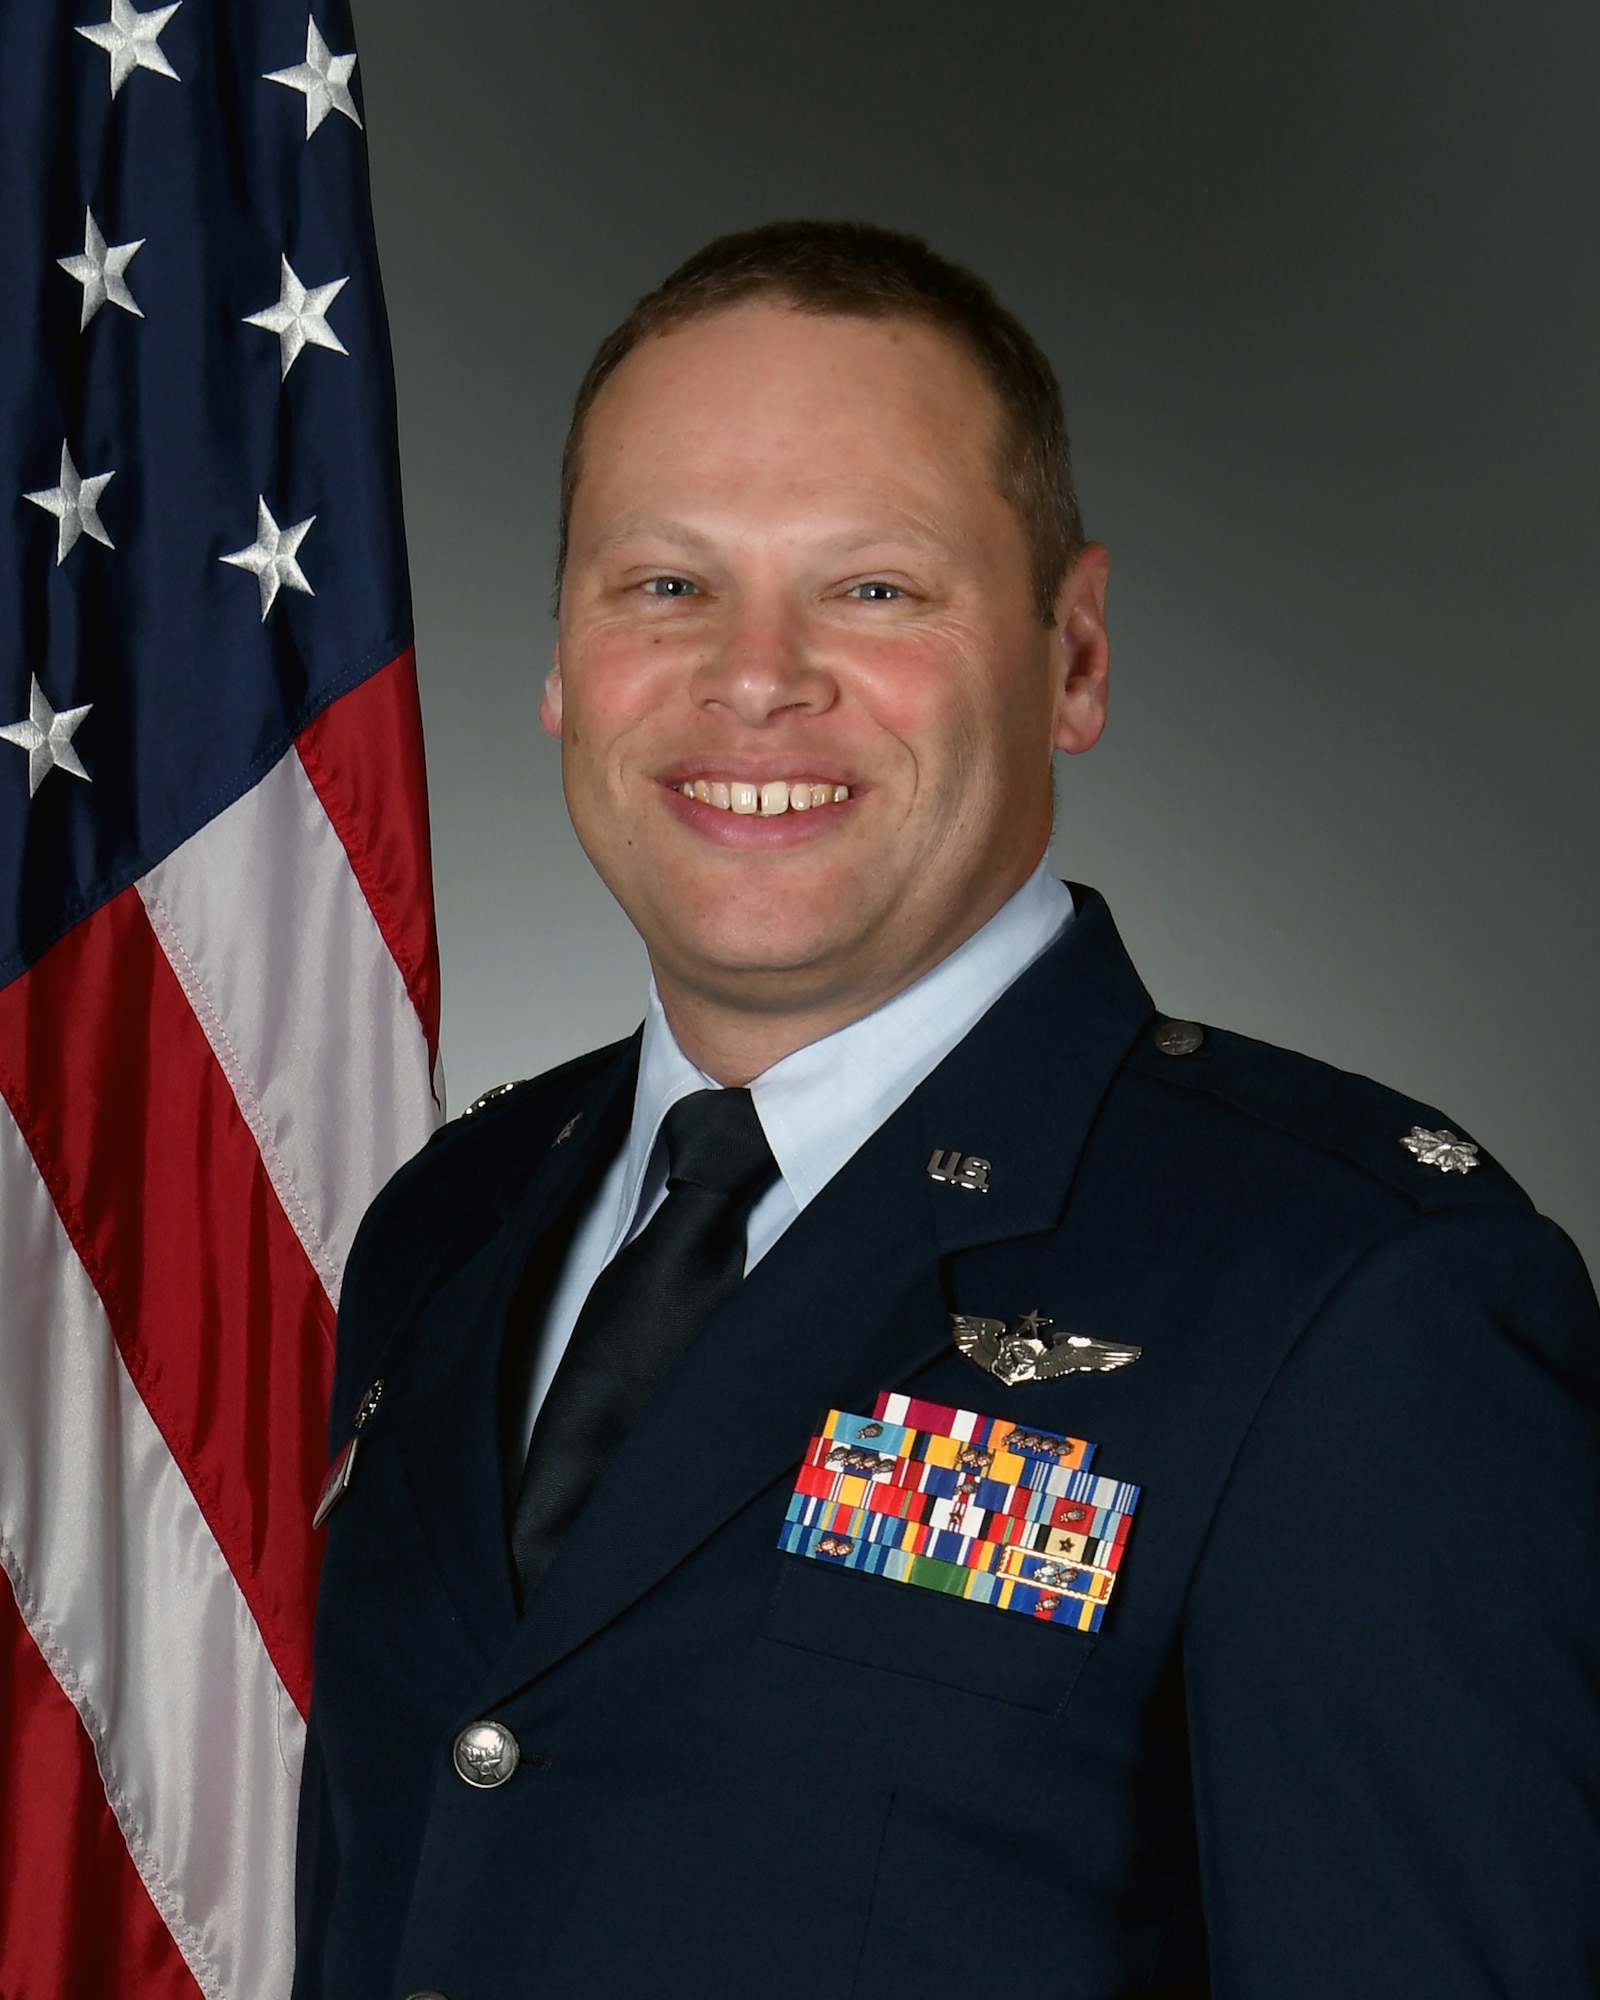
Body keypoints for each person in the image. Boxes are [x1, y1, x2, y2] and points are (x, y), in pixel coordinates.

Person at [292, 222, 1600, 2000]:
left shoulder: (1352, 1294)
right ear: (557, 665)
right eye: (663, 584)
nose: (755, 677)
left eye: (875, 588)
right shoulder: (445, 1226)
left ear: (1073, 657)